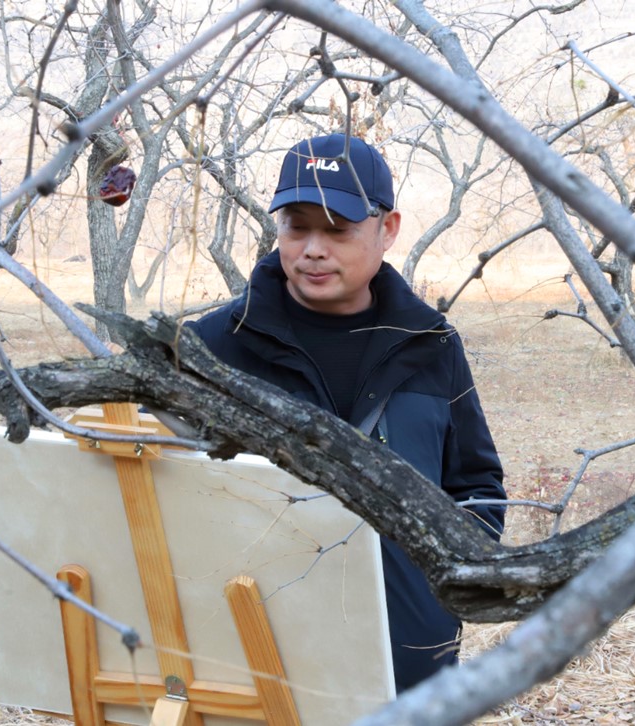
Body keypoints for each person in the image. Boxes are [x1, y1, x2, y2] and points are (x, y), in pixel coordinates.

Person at [188, 133, 506, 691]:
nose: (313, 249)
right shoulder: (213, 346)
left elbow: (475, 485)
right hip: (255, 662)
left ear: (388, 229)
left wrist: (443, 591)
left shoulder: (430, 345)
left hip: (409, 672)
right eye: (296, 227)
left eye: (337, 230)